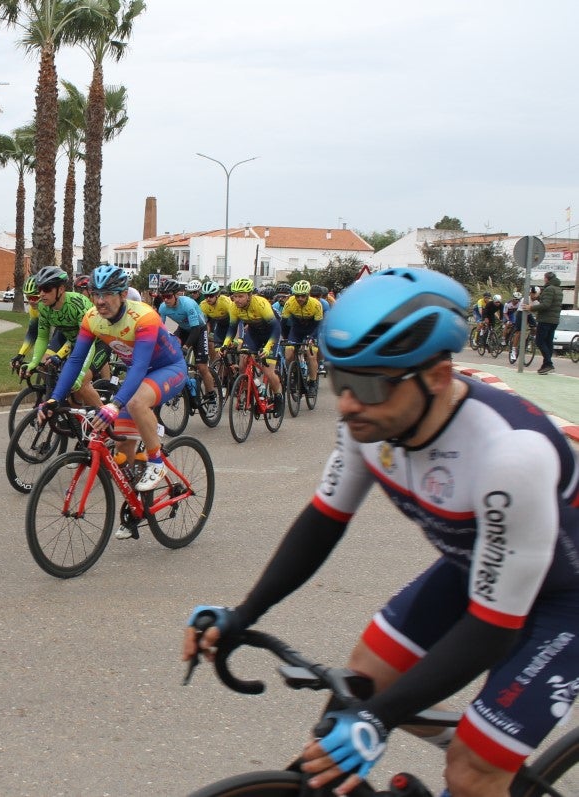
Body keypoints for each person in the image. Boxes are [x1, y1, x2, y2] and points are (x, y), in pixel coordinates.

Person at [183, 267, 579, 797]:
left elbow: (494, 626)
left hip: (563, 600)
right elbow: (323, 521)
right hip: (479, 567)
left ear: (437, 377)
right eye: (340, 381)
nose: (348, 404)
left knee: (473, 767)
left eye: (369, 385)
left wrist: (379, 720)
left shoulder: (510, 456)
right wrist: (243, 613)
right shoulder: (370, 422)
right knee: (361, 682)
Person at [38, 265, 187, 539]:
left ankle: (156, 460)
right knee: (121, 453)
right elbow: (75, 360)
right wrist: (53, 400)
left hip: (167, 368)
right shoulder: (92, 318)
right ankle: (135, 510)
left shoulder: (144, 316)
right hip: (140, 373)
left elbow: (141, 366)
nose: (100, 301)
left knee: (137, 402)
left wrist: (114, 405)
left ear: (122, 294)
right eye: (96, 293)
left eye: (107, 294)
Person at [21, 266, 104, 409]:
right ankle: (75, 425)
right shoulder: (43, 307)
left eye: (46, 289)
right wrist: (34, 363)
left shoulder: (77, 305)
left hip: (97, 342)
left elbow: (88, 344)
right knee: (52, 370)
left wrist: (80, 374)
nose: (41, 294)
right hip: (73, 342)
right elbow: (42, 337)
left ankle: (107, 420)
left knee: (81, 383)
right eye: (40, 289)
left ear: (60, 290)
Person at [221, 276, 282, 413]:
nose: (237, 300)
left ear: (249, 295)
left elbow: (276, 328)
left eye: (241, 296)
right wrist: (225, 345)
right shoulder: (233, 307)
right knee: (243, 362)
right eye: (235, 296)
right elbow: (232, 328)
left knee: (268, 371)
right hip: (254, 333)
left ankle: (278, 396)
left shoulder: (261, 303)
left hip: (271, 333)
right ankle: (251, 390)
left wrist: (267, 348)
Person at [157, 278, 216, 401]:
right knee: (172, 358)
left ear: (176, 295)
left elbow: (195, 329)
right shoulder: (163, 308)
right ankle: (187, 384)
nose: (166, 300)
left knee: (201, 367)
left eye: (168, 296)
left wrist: (185, 347)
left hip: (199, 329)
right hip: (183, 329)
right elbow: (161, 329)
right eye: (163, 297)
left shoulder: (187, 304)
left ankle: (211, 397)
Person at [280, 280, 323, 386]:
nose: (300, 298)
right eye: (297, 296)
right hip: (296, 331)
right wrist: (282, 336)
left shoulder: (316, 304)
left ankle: (312, 382)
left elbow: (318, 325)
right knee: (288, 354)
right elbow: (283, 323)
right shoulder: (289, 303)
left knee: (311, 355)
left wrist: (312, 337)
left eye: (303, 296)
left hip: (312, 330)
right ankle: (295, 374)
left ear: (308, 294)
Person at [527, 271, 563, 374]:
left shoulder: (549, 289)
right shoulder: (558, 289)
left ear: (547, 278)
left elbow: (546, 305)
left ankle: (549, 364)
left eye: (544, 278)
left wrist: (531, 307)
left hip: (545, 319)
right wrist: (537, 297)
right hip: (554, 320)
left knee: (539, 341)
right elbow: (550, 300)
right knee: (548, 342)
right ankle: (545, 365)